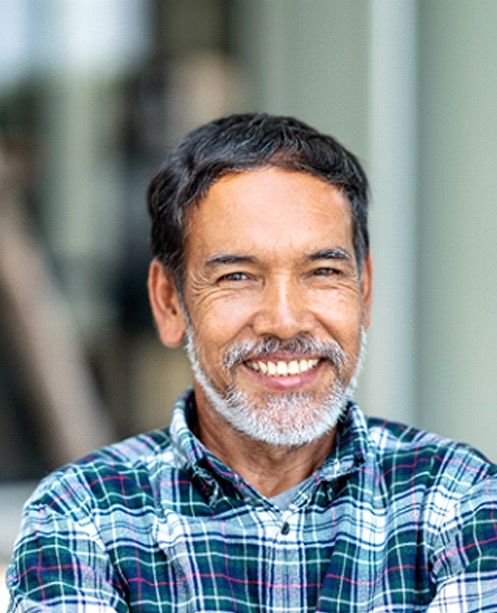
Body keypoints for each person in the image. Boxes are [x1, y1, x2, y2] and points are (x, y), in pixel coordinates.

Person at [7, 113, 497, 611]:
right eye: (237, 276)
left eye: (323, 271)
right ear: (169, 302)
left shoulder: (458, 500)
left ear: (364, 290)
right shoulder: (82, 516)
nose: (284, 322)